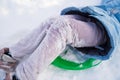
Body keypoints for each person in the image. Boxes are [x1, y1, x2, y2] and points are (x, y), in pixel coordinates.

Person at [0, 0, 120, 80]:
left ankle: (22, 76)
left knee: (63, 28)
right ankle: (10, 55)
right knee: (52, 21)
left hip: (107, 28)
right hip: (93, 14)